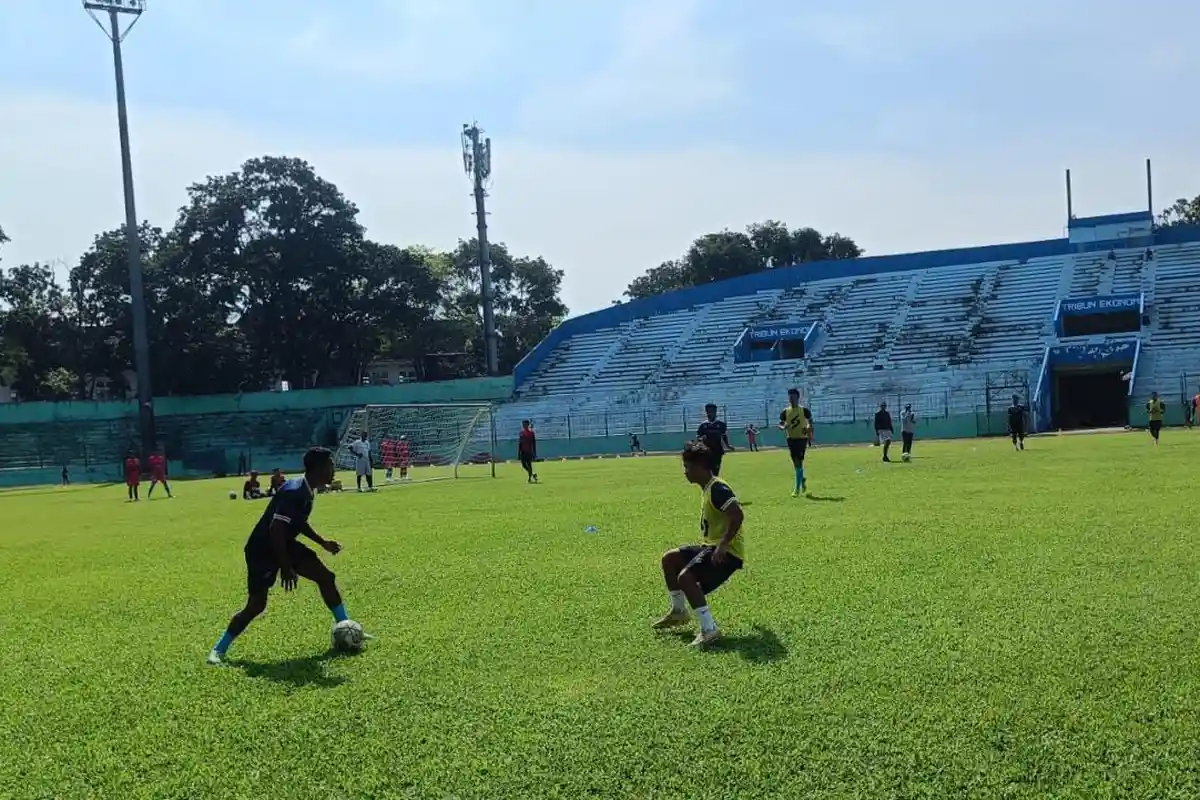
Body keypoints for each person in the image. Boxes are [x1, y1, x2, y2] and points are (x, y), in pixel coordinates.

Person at [207, 447, 361, 666]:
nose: (333, 470)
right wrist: (285, 567)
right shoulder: (294, 491)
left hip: (284, 544)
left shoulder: (307, 490)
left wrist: (322, 542)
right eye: (330, 465)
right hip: (262, 550)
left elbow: (296, 522)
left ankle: (347, 630)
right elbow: (276, 529)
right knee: (256, 605)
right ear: (318, 469)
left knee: (326, 577)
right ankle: (218, 650)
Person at [651, 441, 745, 648]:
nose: (685, 472)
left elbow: (737, 515)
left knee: (686, 577)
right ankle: (679, 612)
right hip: (710, 546)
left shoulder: (718, 489)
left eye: (688, 467)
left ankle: (709, 629)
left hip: (727, 552)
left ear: (702, 466)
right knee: (670, 558)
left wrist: (722, 545)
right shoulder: (708, 488)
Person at [778, 388, 814, 497]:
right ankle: (801, 478)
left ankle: (796, 489)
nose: (791, 399)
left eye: (793, 397)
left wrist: (808, 429)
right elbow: (780, 424)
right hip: (791, 439)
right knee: (796, 463)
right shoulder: (785, 411)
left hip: (801, 438)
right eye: (789, 397)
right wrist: (783, 427)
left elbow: (810, 423)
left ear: (798, 398)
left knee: (799, 462)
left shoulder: (804, 410)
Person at [696, 403, 733, 476]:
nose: (710, 413)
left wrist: (728, 445)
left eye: (712, 411)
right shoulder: (703, 425)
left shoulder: (721, 424)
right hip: (706, 451)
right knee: (707, 471)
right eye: (708, 412)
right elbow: (698, 437)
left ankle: (714, 484)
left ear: (715, 412)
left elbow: (724, 436)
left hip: (717, 451)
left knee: (715, 471)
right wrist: (700, 440)